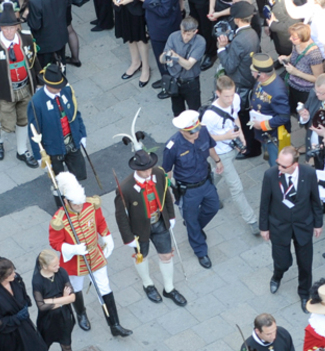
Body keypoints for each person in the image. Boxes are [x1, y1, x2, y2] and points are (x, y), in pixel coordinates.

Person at [47, 171, 130, 336]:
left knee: (104, 287)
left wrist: (107, 237)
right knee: (76, 288)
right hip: (74, 261)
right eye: (75, 205)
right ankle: (81, 313)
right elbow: (55, 243)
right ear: (66, 201)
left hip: (94, 254)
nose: (79, 207)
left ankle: (114, 324)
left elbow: (100, 223)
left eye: (80, 203)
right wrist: (72, 249)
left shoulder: (90, 205)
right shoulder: (59, 219)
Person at [114, 149, 184, 307]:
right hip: (139, 229)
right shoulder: (124, 188)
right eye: (144, 170)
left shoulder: (159, 174)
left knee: (166, 256)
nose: (148, 172)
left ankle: (169, 288)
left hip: (159, 221)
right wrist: (128, 238)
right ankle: (147, 284)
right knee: (142, 256)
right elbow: (121, 216)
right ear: (136, 169)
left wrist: (171, 216)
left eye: (149, 168)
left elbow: (166, 194)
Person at [259, 145, 324, 305]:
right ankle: (277, 275)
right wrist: (264, 227)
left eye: (283, 166)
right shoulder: (270, 175)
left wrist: (318, 223)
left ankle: (304, 293)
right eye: (278, 163)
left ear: (295, 165)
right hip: (279, 226)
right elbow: (264, 203)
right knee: (281, 261)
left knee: (305, 264)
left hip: (303, 225)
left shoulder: (308, 173)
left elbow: (315, 200)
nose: (279, 168)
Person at [0, 5, 41, 165]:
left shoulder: (26, 39)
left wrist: (39, 83)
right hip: (5, 92)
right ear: (1, 28)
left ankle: (22, 150)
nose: (8, 32)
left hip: (25, 88)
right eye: (5, 28)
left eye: (11, 28)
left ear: (16, 27)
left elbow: (34, 62)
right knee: (7, 124)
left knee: (24, 120)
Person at [161, 110, 222, 270]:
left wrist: (218, 161)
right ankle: (200, 250)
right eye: (191, 133)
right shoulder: (172, 146)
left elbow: (209, 147)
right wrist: (167, 191)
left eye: (196, 130)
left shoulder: (202, 132)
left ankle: (193, 227)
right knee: (191, 218)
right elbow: (166, 170)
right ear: (182, 131)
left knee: (213, 207)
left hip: (206, 182)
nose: (196, 135)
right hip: (188, 190)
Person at [200, 75, 258, 228]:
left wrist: (241, 135)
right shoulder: (210, 115)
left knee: (219, 172)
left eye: (232, 94)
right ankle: (251, 220)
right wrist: (225, 136)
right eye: (226, 96)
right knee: (236, 187)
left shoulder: (236, 99)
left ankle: (202, 191)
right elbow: (203, 137)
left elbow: (235, 117)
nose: (230, 99)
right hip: (220, 153)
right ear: (217, 93)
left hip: (232, 146)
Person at [31, 249, 89, 351]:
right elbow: (41, 307)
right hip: (47, 321)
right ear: (45, 267)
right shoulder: (38, 281)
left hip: (63, 318)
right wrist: (64, 299)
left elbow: (72, 297)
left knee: (67, 346)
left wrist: (53, 301)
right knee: (44, 346)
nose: (58, 266)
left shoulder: (61, 272)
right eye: (54, 265)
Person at [28, 63, 88, 181]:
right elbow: (33, 131)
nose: (59, 89)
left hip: (72, 143)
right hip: (53, 148)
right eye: (56, 87)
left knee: (79, 175)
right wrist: (39, 156)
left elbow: (76, 113)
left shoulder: (67, 90)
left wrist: (82, 133)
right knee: (59, 183)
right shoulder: (36, 102)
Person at [216, 4, 260, 155]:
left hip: (241, 84)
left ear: (237, 19)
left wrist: (221, 48)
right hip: (250, 80)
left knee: (243, 118)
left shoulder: (239, 40)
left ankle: (250, 149)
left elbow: (229, 66)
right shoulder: (252, 33)